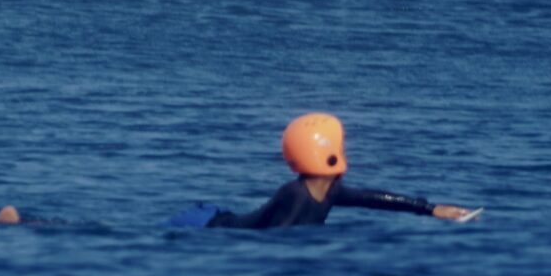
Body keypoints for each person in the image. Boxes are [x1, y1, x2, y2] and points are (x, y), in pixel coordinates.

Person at [197, 113, 479, 229]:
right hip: (208, 223)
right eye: (341, 146)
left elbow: (372, 199)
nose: (345, 151)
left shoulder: (328, 191)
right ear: (326, 154)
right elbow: (274, 241)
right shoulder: (293, 195)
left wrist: (431, 209)